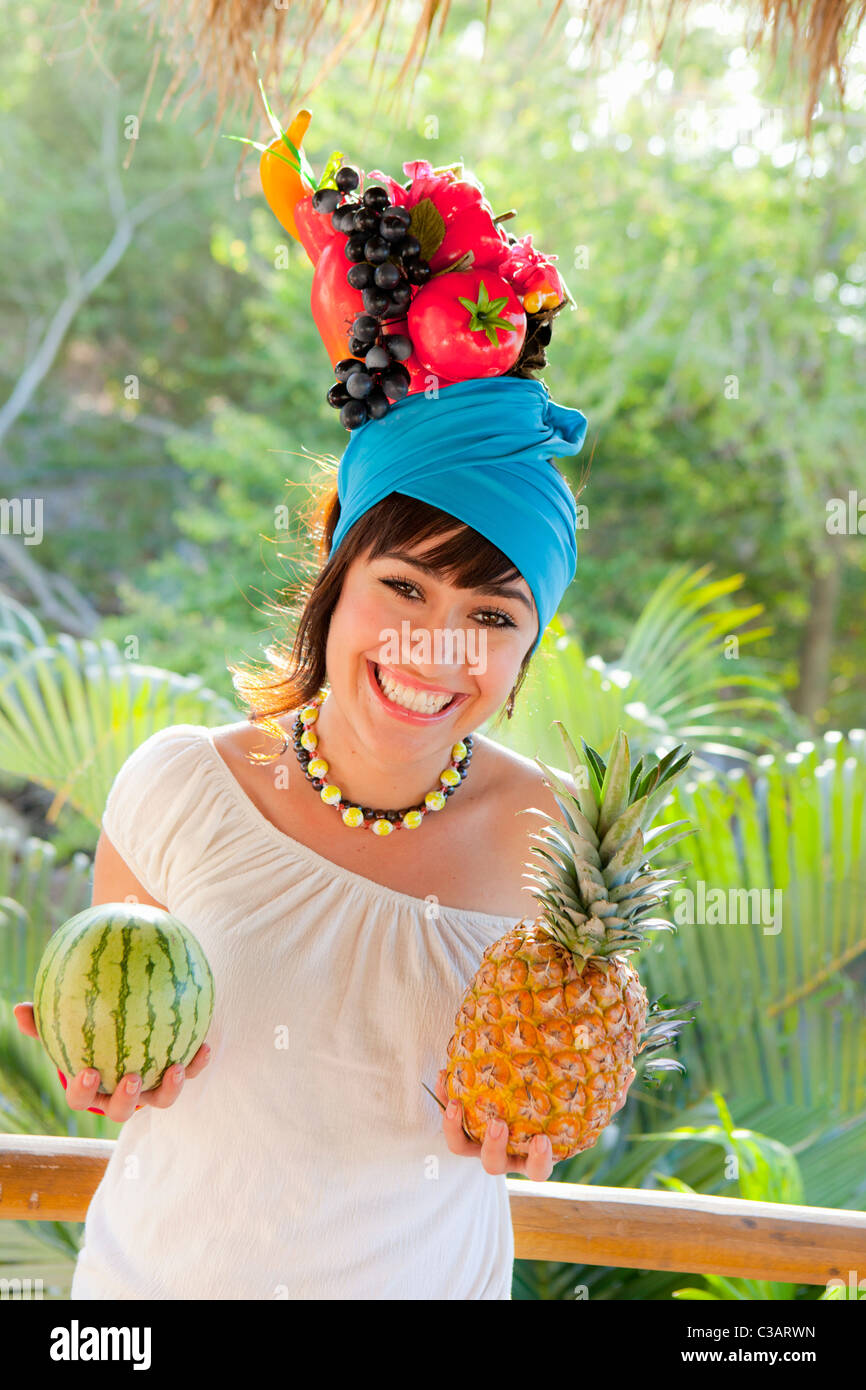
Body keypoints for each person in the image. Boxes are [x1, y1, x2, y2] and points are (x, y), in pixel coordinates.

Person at [14, 145, 589, 1300]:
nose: (435, 649)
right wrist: (110, 1072)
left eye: (490, 613)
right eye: (404, 588)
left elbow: (561, 1091)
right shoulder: (177, 786)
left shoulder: (554, 836)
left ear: (525, 652)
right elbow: (125, 1033)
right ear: (335, 579)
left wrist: (547, 1128)